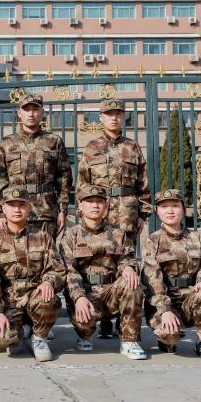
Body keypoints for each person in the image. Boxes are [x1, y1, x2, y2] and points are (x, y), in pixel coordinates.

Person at [76, 97, 151, 338]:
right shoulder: (91, 148)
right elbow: (82, 184)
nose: (114, 118)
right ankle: (104, 317)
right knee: (100, 261)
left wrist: (143, 214)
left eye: (118, 114)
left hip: (127, 214)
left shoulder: (133, 147)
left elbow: (143, 183)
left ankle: (123, 319)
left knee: (126, 264)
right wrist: (83, 215)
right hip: (99, 214)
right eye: (109, 114)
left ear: (123, 117)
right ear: (101, 118)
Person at [60, 186, 146, 359]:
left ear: (106, 206)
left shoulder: (118, 233)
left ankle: (129, 341)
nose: (95, 205)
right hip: (86, 293)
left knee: (132, 284)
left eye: (99, 201)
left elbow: (127, 258)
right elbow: (69, 271)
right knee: (85, 325)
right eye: (90, 201)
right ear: (80, 205)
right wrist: (79, 297)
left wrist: (128, 268)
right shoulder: (71, 235)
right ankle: (84, 335)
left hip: (111, 292)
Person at [0, 187, 66, 362]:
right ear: (3, 208)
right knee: (1, 338)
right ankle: (17, 333)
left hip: (35, 296)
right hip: (9, 300)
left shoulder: (43, 237)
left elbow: (57, 269)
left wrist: (49, 282)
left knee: (49, 299)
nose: (17, 209)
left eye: (21, 205)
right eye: (11, 205)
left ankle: (40, 338)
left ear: (29, 207)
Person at [142, 189, 201, 361]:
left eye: (175, 206)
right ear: (156, 211)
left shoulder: (197, 238)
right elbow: (152, 280)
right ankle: (167, 338)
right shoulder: (153, 241)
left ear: (183, 209)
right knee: (169, 337)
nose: (170, 211)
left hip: (190, 297)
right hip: (165, 300)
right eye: (164, 207)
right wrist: (165, 310)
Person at [0, 93, 73, 239]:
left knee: (47, 251)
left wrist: (63, 210)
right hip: (16, 211)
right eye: (26, 109)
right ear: (19, 113)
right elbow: (0, 180)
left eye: (35, 109)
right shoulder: (7, 143)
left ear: (42, 112)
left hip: (46, 212)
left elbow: (64, 179)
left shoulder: (54, 141)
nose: (31, 114)